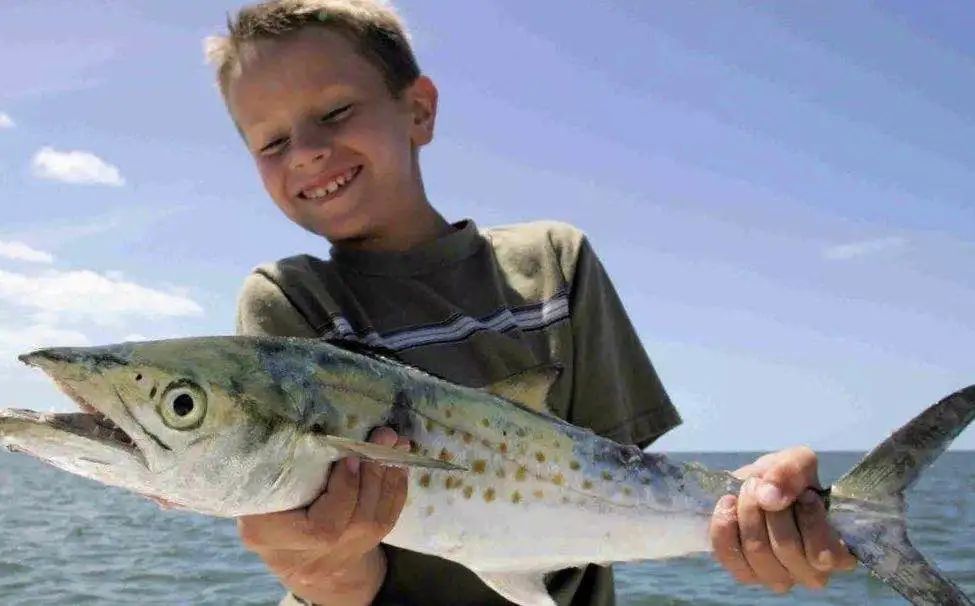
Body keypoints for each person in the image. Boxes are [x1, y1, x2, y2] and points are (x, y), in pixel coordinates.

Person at [203, 1, 857, 604]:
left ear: (419, 110)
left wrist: (758, 509)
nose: (308, 152)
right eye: (271, 142)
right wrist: (322, 566)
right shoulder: (287, 299)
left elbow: (616, 485)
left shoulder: (552, 263)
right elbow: (338, 568)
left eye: (335, 112)